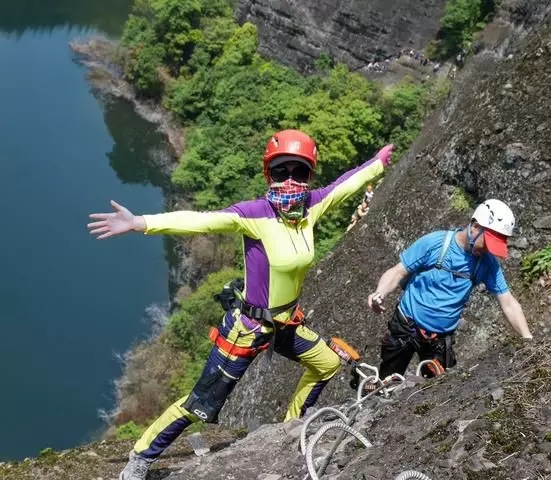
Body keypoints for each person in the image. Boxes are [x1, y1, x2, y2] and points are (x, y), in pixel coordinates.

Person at [87, 129, 394, 480]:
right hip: (248, 328)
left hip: (286, 323)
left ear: (310, 175)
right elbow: (199, 220)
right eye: (282, 171)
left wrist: (377, 163)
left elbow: (346, 184)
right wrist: (140, 223)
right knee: (201, 403)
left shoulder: (312, 207)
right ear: (269, 174)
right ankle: (140, 458)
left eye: (300, 172)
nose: (291, 180)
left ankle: (290, 429)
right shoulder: (254, 214)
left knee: (326, 363)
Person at [362, 199, 532, 383]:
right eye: (488, 243)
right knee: (387, 383)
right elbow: (398, 271)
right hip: (406, 325)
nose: (488, 250)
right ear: (475, 227)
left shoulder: (487, 263)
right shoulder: (435, 243)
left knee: (438, 389)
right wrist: (380, 293)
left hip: (440, 339)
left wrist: (528, 338)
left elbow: (507, 302)